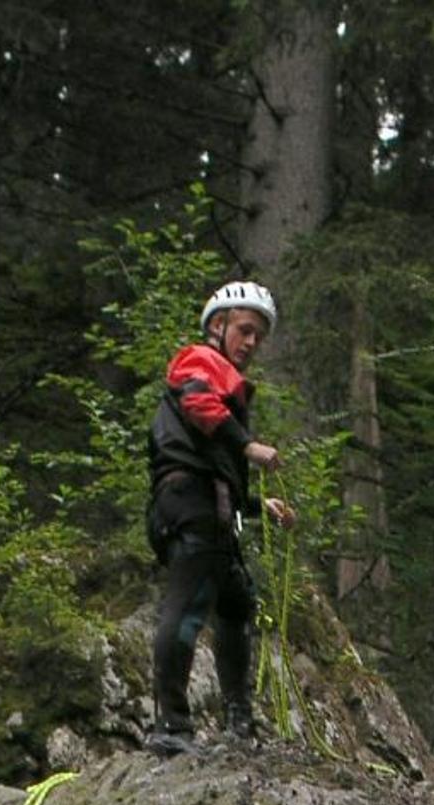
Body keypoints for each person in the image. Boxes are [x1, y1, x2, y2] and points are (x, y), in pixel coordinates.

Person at [145, 281, 296, 755]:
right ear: (218, 324)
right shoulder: (201, 360)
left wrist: (258, 507)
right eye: (245, 330)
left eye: (258, 337)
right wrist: (248, 446)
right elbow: (197, 402)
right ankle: (171, 727)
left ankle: (238, 721)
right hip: (193, 501)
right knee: (189, 603)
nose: (251, 342)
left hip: (206, 502)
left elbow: (214, 460)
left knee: (236, 602)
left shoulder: (221, 376)